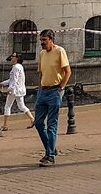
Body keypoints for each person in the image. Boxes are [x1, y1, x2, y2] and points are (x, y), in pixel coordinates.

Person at [33, 29, 71, 166]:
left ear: (51, 40)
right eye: (41, 40)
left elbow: (67, 71)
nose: (42, 43)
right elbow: (40, 73)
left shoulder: (60, 51)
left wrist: (61, 88)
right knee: (38, 123)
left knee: (51, 125)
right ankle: (51, 148)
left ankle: (50, 156)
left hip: (55, 90)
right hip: (43, 91)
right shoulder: (42, 54)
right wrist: (39, 89)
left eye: (44, 40)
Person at [0, 52, 33, 130]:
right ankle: (32, 119)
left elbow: (14, 80)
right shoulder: (19, 67)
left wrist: (10, 89)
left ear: (17, 58)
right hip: (19, 90)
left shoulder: (16, 67)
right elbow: (12, 79)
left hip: (15, 90)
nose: (11, 58)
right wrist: (3, 83)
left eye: (13, 56)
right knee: (21, 106)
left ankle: (5, 125)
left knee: (7, 106)